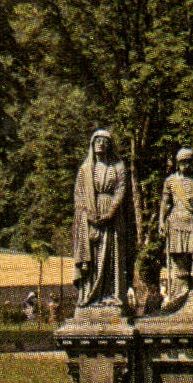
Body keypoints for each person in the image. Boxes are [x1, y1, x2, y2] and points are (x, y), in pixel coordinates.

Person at [73, 128, 136, 310]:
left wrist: (111, 211)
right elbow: (79, 195)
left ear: (110, 145)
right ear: (93, 144)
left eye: (105, 141)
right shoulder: (85, 170)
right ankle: (90, 296)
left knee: (111, 255)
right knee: (92, 256)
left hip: (112, 216)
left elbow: (121, 190)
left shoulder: (118, 166)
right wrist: (88, 213)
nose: (101, 144)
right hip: (89, 216)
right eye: (98, 140)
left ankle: (111, 295)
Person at [158, 147, 193, 306]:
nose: (186, 165)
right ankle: (180, 299)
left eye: (189, 162)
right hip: (176, 223)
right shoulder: (171, 181)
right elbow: (165, 203)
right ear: (177, 164)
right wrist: (161, 221)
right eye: (183, 162)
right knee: (179, 261)